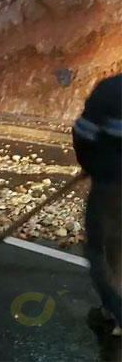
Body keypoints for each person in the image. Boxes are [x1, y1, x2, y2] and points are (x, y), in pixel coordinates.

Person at [73, 73, 122, 337]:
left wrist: (90, 165)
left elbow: (83, 133)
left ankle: (116, 310)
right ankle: (109, 311)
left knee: (99, 248)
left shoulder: (112, 90)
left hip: (113, 186)